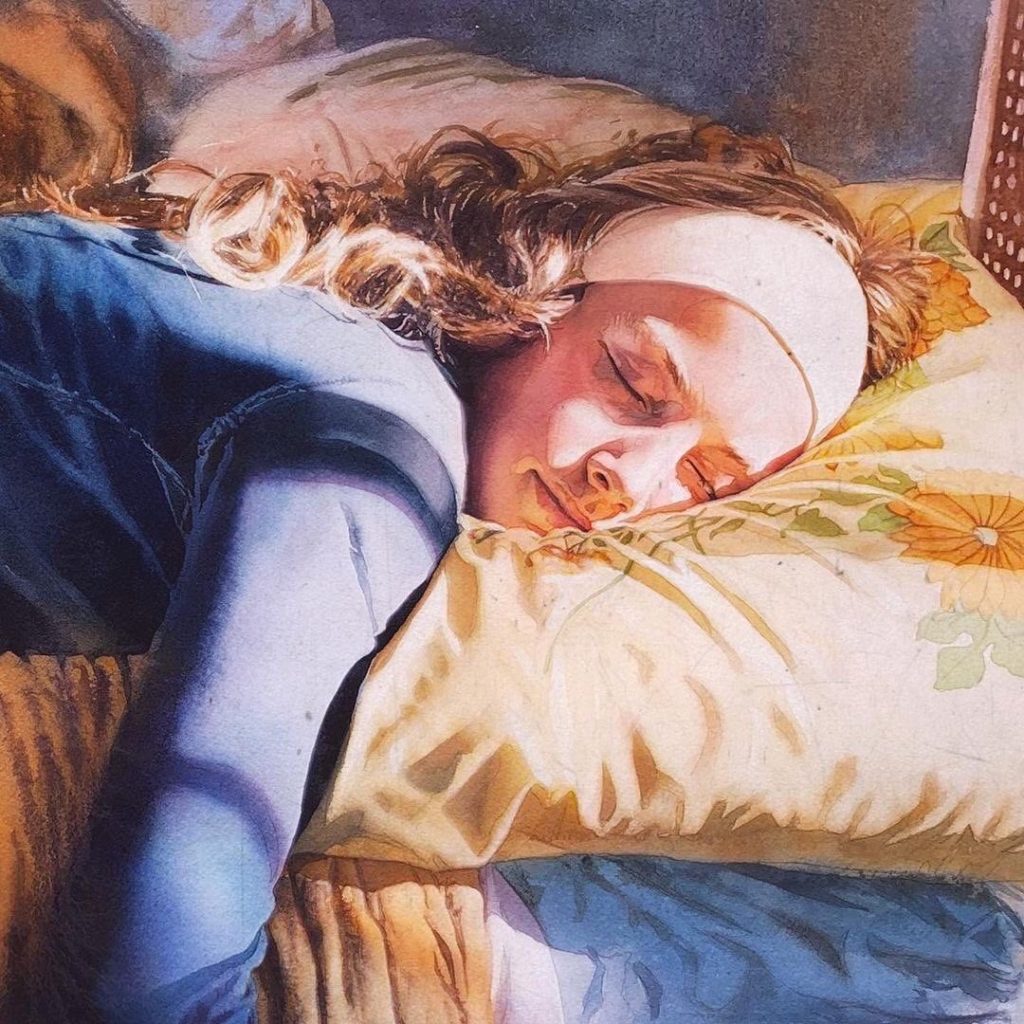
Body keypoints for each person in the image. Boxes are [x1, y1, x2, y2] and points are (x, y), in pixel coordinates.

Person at [3, 125, 1014, 1024]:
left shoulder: (338, 340)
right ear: (543, 285)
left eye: (707, 481)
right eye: (634, 382)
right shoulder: (375, 435)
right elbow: (151, 953)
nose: (631, 477)